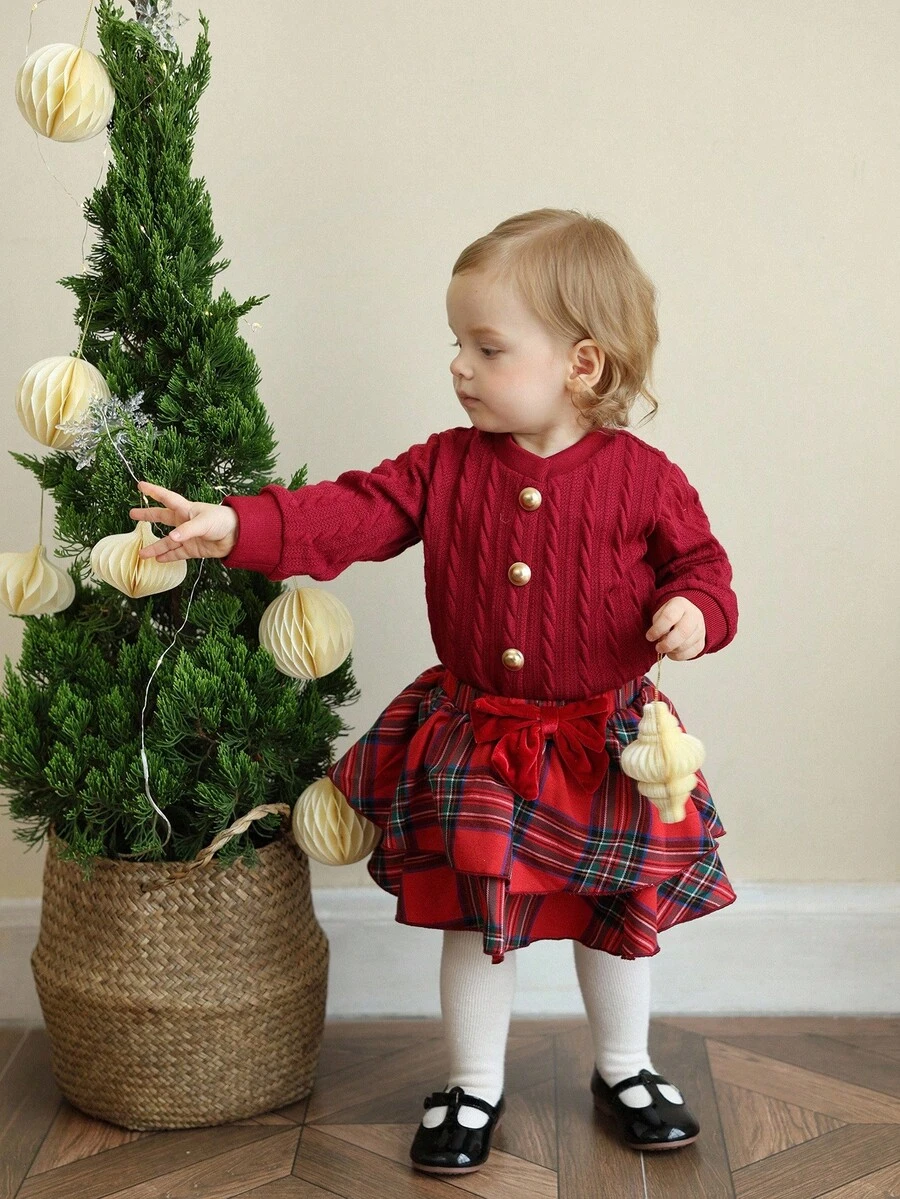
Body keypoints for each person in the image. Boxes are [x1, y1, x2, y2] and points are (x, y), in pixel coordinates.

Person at [130, 207, 738, 1173]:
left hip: (607, 740)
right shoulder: (444, 466)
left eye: (486, 347)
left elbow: (704, 567)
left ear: (583, 364)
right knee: (474, 917)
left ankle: (624, 1064)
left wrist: (699, 612)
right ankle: (472, 1083)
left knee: (621, 911)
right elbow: (352, 511)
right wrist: (239, 526)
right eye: (456, 343)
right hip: (482, 736)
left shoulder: (645, 479)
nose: (458, 365)